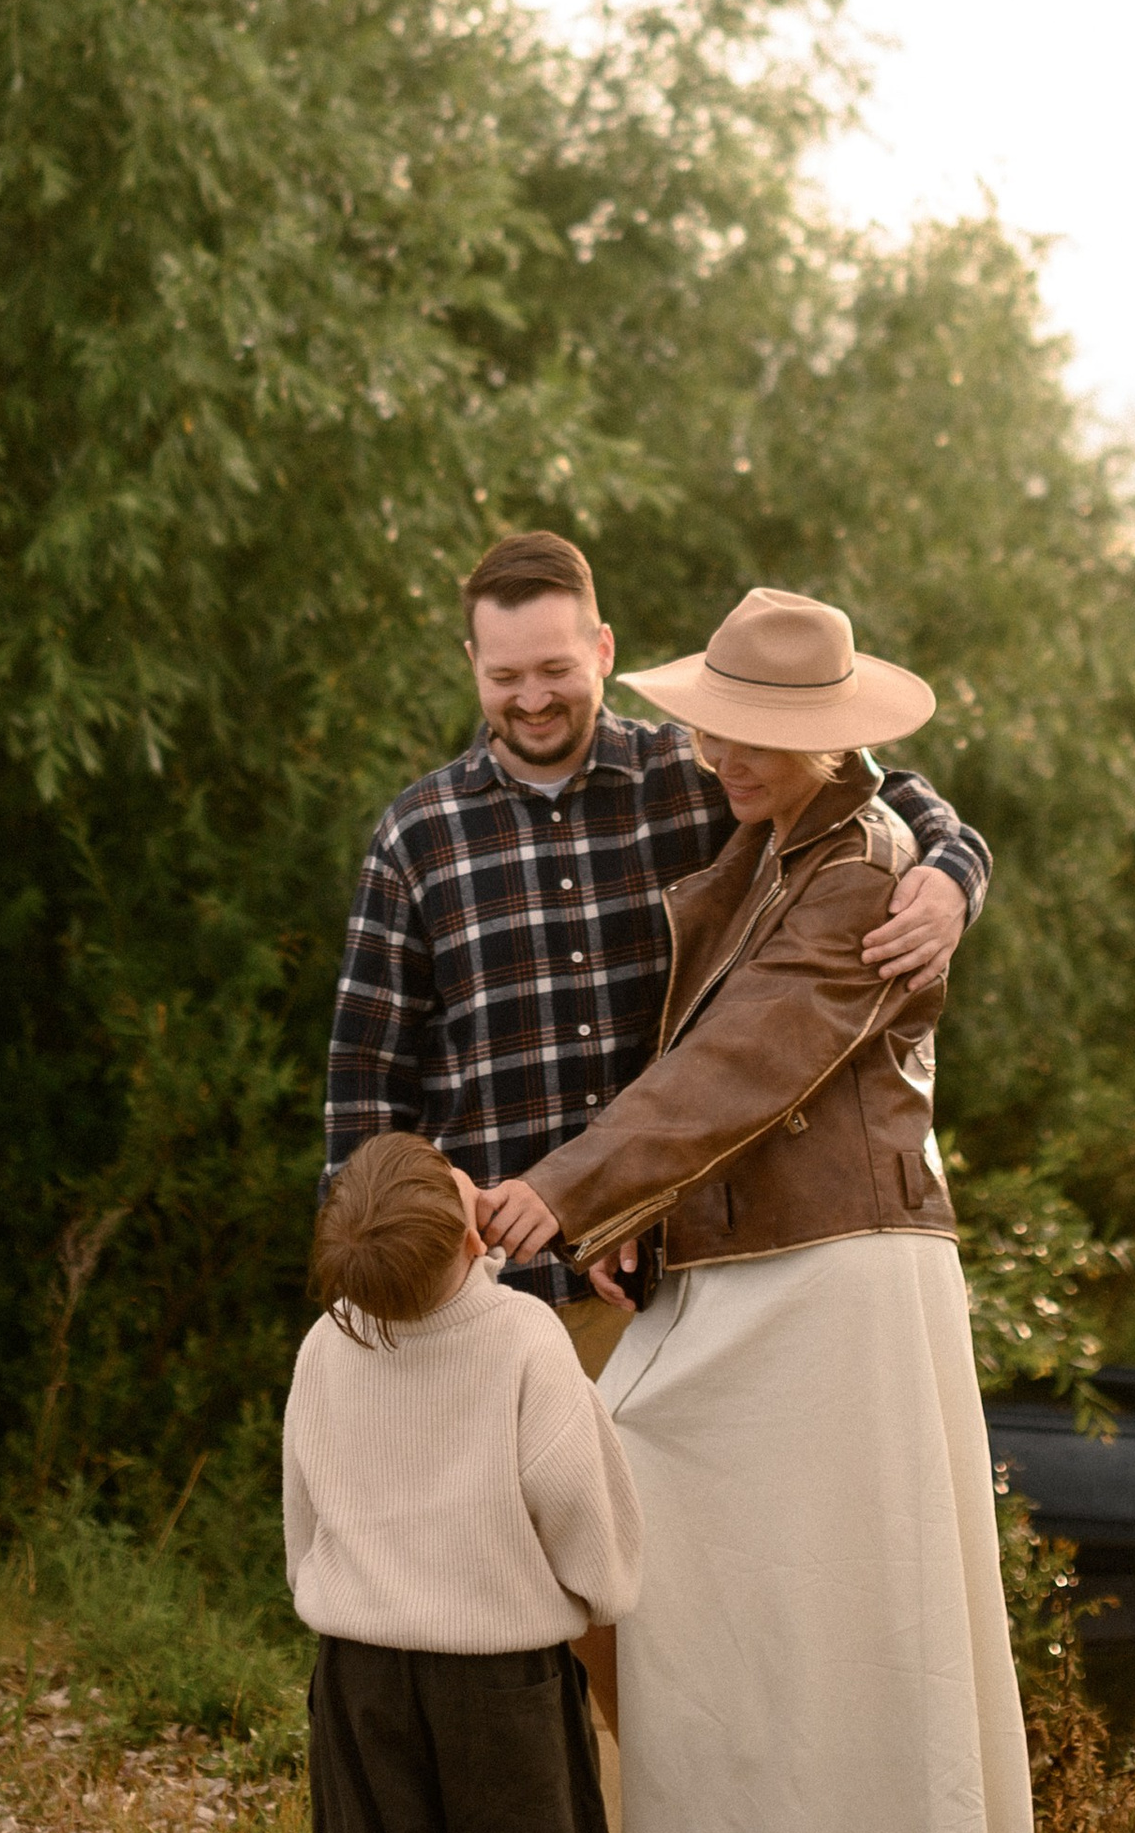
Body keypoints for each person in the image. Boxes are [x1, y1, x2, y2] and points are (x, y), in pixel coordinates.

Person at [480, 587, 1048, 1833]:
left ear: (826, 737)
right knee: (627, 1534)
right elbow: (726, 1075)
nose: (719, 750)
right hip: (745, 1259)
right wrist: (640, 1213)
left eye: (756, 733)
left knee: (856, 1594)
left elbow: (748, 1062)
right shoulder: (769, 830)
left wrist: (569, 1190)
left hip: (848, 1269)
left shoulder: (863, 868)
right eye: (711, 721)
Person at [326, 530, 992, 1388]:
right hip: (483, 1285)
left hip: (663, 1285)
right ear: (471, 665)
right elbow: (366, 1085)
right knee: (482, 1523)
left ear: (602, 649)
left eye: (556, 669)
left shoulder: (701, 772)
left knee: (656, 1517)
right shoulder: (417, 836)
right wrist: (366, 1293)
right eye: (504, 677)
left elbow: (863, 785)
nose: (532, 698)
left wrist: (954, 868)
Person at [282, 1132, 654, 1833]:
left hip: (358, 1670)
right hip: (500, 1670)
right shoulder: (520, 1336)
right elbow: (579, 1504)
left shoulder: (324, 1345)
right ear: (458, 1239)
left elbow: (305, 1513)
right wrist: (594, 1597)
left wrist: (346, 1593)